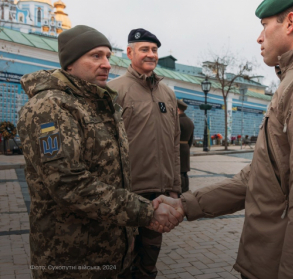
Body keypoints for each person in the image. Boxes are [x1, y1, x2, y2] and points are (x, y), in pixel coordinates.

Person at [154, 0, 293, 278]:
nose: (259, 37)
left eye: (265, 25)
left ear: (290, 23)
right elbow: (260, 177)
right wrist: (186, 205)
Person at [17, 25, 183, 279]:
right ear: (70, 63)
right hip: (73, 258)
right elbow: (68, 183)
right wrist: (146, 211)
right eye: (96, 56)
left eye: (107, 55)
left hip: (110, 249)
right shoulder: (50, 107)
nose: (106, 64)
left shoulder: (96, 103)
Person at [108, 28, 181, 279]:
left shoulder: (168, 94)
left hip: (159, 196)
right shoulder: (114, 91)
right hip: (127, 193)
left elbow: (174, 143)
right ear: (129, 53)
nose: (151, 54)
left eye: (154, 50)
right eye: (144, 50)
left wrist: (174, 187)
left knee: (149, 262)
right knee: (123, 261)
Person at [177, 99, 194, 194]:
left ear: (178, 109)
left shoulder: (178, 121)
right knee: (184, 171)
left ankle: (181, 190)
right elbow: (191, 139)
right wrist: (187, 147)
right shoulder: (189, 121)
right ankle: (186, 189)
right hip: (186, 147)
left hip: (178, 148)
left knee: (179, 171)